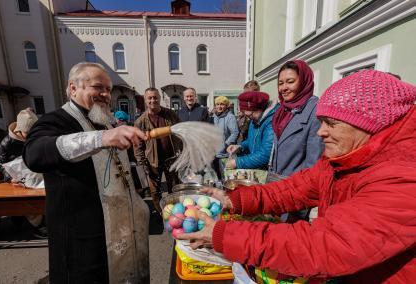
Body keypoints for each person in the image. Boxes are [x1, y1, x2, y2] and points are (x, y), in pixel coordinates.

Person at [178, 70, 416, 283]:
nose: (321, 132)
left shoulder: (404, 177)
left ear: (369, 123)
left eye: (331, 124)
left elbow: (326, 246)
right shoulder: (347, 156)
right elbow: (296, 188)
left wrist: (225, 236)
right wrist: (235, 200)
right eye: (321, 122)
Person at [23, 62, 150, 283]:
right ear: (73, 88)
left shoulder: (107, 122)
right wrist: (100, 139)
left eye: (109, 89)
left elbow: (124, 167)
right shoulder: (55, 120)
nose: (105, 94)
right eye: (98, 87)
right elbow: (34, 154)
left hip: (122, 231)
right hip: (82, 241)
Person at [270, 60, 324, 177]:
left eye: (290, 82)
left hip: (296, 188)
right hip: (277, 184)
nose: (283, 88)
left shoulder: (316, 112)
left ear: (304, 81)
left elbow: (313, 165)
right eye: (280, 83)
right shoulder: (282, 111)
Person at [134, 87, 182, 213]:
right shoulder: (140, 122)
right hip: (152, 161)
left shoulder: (170, 114)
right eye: (149, 98)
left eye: (155, 97)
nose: (153, 100)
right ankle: (161, 212)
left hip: (172, 158)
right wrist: (142, 163)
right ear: (145, 100)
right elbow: (138, 145)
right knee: (155, 190)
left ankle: (175, 211)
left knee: (174, 187)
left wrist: (182, 153)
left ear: (160, 98)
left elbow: (180, 133)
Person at [226, 91, 278, 169]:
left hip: (267, 170)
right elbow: (252, 140)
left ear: (258, 109)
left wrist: (237, 162)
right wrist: (240, 146)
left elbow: (266, 154)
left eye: (249, 115)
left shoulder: (271, 121)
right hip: (257, 167)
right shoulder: (255, 119)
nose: (248, 117)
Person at [212, 96, 239, 179]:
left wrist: (225, 144)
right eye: (217, 104)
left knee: (226, 177)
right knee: (217, 177)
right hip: (214, 154)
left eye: (222, 104)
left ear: (226, 106)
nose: (219, 106)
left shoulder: (230, 117)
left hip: (225, 155)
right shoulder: (214, 117)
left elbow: (235, 133)